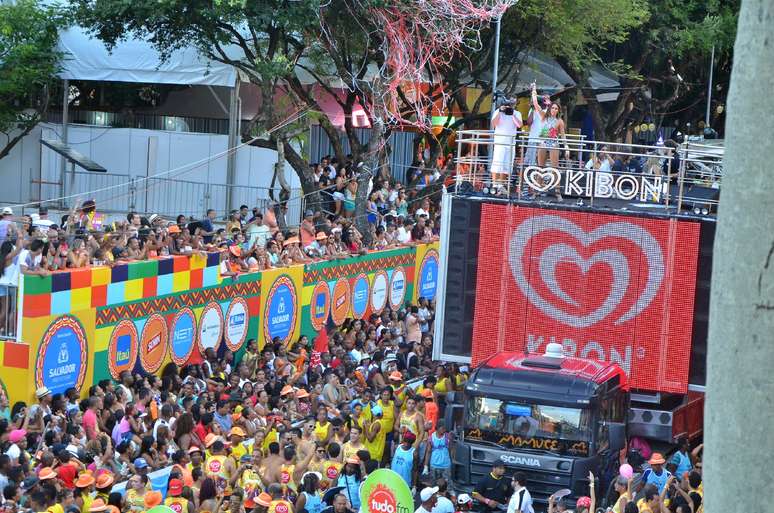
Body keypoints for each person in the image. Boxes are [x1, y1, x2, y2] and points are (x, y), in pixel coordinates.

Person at [530, 82, 569, 199]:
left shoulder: (560, 121)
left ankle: (557, 193)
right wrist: (534, 91)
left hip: (554, 143)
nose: (554, 109)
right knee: (540, 166)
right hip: (543, 142)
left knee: (554, 168)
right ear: (550, 108)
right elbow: (536, 104)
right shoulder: (543, 116)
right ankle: (537, 191)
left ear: (558, 110)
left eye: (556, 108)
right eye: (553, 107)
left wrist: (566, 147)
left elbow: (563, 135)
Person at [490, 101, 522, 192]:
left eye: (511, 104)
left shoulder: (517, 113)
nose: (509, 106)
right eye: (508, 104)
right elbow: (494, 123)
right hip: (500, 142)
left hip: (511, 143)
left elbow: (519, 125)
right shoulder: (498, 111)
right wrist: (500, 111)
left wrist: (512, 114)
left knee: (507, 165)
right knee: (497, 163)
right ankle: (495, 185)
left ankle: (501, 185)